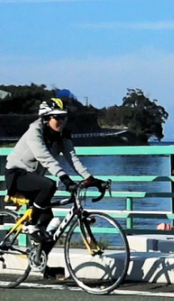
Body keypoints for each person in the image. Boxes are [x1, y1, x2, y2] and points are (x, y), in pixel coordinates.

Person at [4, 98, 103, 243]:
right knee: (49, 185)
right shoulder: (34, 132)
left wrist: (90, 178)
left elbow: (72, 158)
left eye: (63, 117)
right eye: (57, 117)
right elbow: (44, 157)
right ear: (45, 118)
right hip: (17, 175)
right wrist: (64, 178)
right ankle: (31, 224)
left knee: (50, 230)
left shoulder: (62, 135)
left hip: (35, 180)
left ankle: (39, 263)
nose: (61, 121)